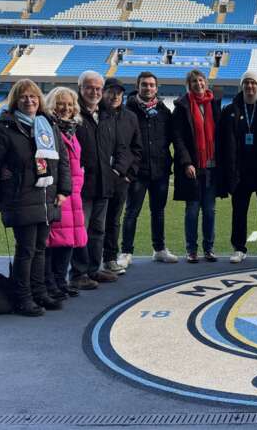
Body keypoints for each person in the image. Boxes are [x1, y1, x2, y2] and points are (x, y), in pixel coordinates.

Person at [0, 79, 70, 316]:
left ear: (39, 100)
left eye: (33, 96)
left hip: (46, 197)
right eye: (24, 97)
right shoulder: (7, 128)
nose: (29, 101)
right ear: (16, 101)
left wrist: (64, 190)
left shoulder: (48, 125)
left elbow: (62, 160)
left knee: (40, 248)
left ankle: (39, 291)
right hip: (21, 197)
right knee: (27, 250)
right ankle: (23, 297)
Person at [70, 70, 131, 289]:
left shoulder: (107, 115)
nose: (94, 92)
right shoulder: (73, 113)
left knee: (98, 230)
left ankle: (94, 269)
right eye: (89, 87)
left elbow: (122, 147)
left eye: (98, 88)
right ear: (80, 88)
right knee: (81, 230)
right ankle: (78, 273)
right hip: (81, 186)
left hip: (104, 184)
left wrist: (116, 171)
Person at [219, 71, 257, 264]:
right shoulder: (231, 110)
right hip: (240, 171)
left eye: (253, 83)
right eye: (247, 83)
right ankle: (238, 248)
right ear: (242, 86)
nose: (250, 86)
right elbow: (223, 142)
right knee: (239, 212)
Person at [121, 71, 179, 264]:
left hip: (160, 170)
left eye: (152, 85)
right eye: (144, 84)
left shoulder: (164, 111)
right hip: (137, 171)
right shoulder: (127, 110)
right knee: (131, 212)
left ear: (157, 88)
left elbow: (173, 139)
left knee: (158, 212)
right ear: (137, 87)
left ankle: (159, 249)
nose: (148, 88)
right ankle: (126, 252)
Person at [172, 69, 221, 263]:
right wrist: (186, 162)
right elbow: (178, 138)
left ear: (206, 83)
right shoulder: (182, 107)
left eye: (201, 80)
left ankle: (209, 248)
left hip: (212, 167)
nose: (198, 84)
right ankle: (191, 250)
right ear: (189, 85)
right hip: (192, 167)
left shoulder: (214, 105)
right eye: (194, 81)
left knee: (209, 210)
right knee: (192, 209)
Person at [42, 87, 86, 302]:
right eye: (61, 103)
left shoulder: (72, 129)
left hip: (73, 194)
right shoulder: (49, 129)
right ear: (52, 105)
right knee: (54, 241)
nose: (66, 108)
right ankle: (51, 284)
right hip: (58, 194)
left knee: (68, 240)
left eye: (69, 104)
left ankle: (61, 282)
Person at [101, 78, 142, 274]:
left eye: (118, 92)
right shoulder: (96, 114)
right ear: (103, 93)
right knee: (95, 221)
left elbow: (136, 148)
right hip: (98, 177)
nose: (115, 95)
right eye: (111, 91)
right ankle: (90, 262)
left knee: (114, 220)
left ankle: (109, 258)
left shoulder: (130, 117)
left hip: (121, 179)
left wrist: (128, 174)